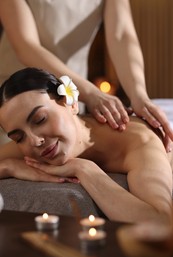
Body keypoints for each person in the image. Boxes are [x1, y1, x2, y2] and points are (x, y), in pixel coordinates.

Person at [0, 67, 172, 225]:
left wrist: (85, 169)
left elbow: (161, 224)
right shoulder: (35, 145)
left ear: (71, 103)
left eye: (40, 120)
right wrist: (9, 167)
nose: (35, 141)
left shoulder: (139, 142)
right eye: (18, 137)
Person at [0, 0, 172, 151]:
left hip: (69, 96)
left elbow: (121, 34)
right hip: (15, 101)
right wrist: (90, 93)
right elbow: (26, 45)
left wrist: (138, 95)